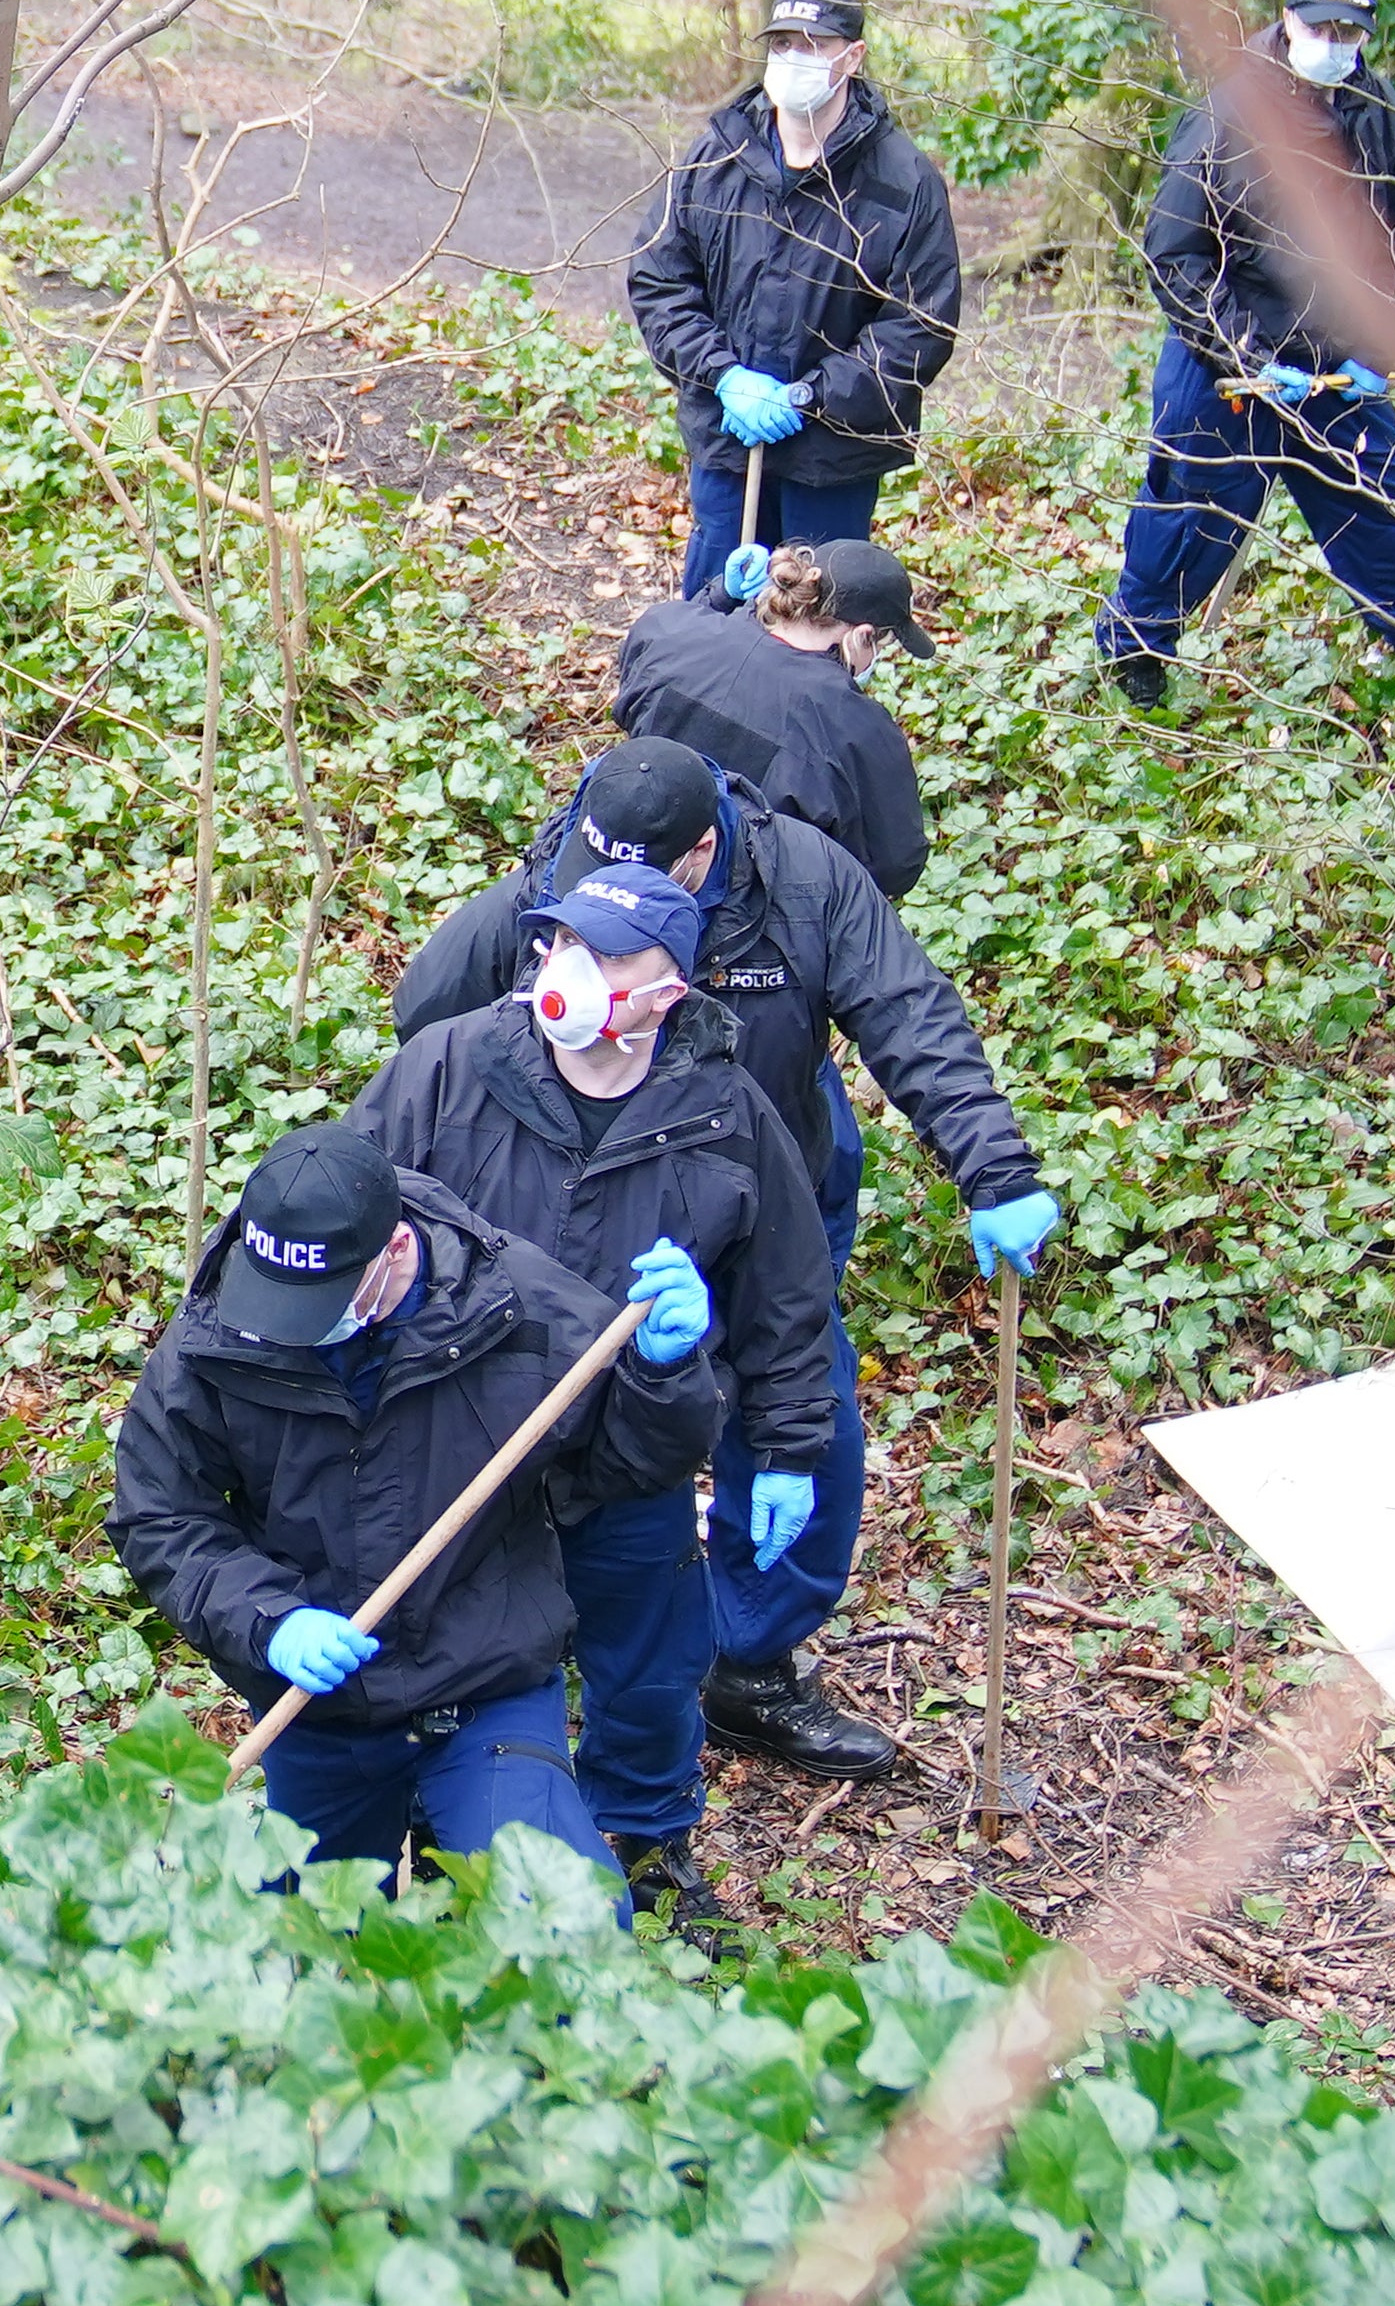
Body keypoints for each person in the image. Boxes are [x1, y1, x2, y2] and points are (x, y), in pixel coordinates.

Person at [391, 733, 1060, 1781]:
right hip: (565, 1204)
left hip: (759, 1190)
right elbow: (425, 1017)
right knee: (549, 1422)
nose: (606, 912)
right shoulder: (562, 875)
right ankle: (531, 1626)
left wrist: (996, 1167)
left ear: (702, 851)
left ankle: (746, 1658)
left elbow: (909, 1012)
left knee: (801, 1412)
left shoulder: (801, 882)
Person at [353, 859, 827, 1932]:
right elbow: (353, 1223)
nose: (577, 970)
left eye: (613, 956)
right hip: (461, 1452)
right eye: (566, 943)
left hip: (629, 1454)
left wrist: (790, 1448)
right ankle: (448, 1850)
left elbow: (787, 1302)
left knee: (650, 1669)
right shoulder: (447, 1071)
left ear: (672, 991)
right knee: (452, 1662)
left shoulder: (727, 1117)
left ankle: (652, 1842)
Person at [110, 1119, 719, 1883]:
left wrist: (662, 1374)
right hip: (318, 1705)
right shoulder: (218, 1333)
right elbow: (160, 1516)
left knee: (559, 1927)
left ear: (395, 1247)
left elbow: (631, 1465)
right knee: (295, 1957)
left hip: (483, 1683)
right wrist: (270, 1620)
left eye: (323, 1298)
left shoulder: (516, 1304)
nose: (295, 1328)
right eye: (282, 1299)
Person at [1099, 0, 1395, 709]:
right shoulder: (1229, 117)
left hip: (1333, 365)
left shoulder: (1374, 113)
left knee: (1378, 500)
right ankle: (1137, 647)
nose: (1334, 42)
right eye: (1320, 26)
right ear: (1287, 22)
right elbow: (1175, 253)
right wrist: (1247, 357)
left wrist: (1378, 349)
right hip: (1225, 359)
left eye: (1350, 33)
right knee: (1194, 513)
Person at [625, 0, 963, 595]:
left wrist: (810, 397)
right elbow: (659, 277)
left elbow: (920, 324)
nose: (793, 57)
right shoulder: (715, 159)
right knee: (716, 613)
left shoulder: (902, 182)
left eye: (812, 44)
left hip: (835, 457)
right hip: (730, 441)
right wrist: (723, 376)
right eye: (782, 43)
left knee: (818, 617)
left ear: (852, 58)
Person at [614, 536, 926, 902]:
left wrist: (719, 597)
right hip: (757, 909)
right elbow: (895, 864)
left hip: (631, 853)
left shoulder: (667, 630)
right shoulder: (856, 727)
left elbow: (638, 677)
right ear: (862, 636)